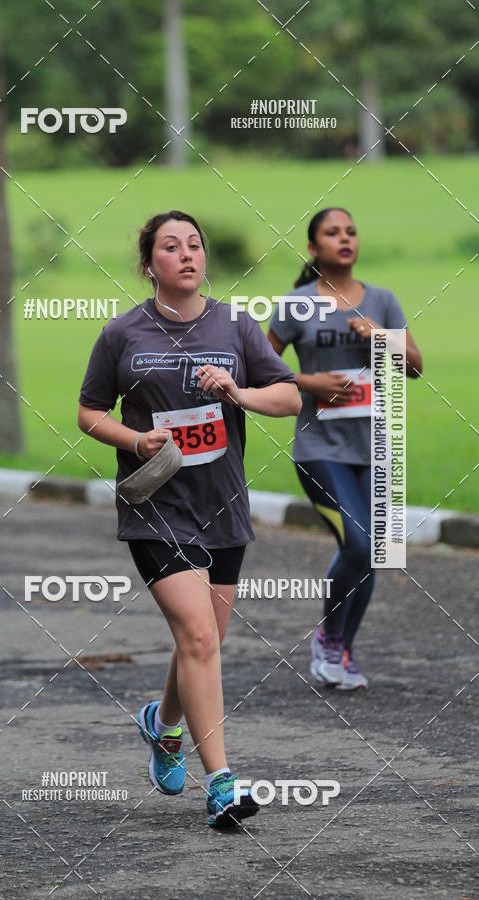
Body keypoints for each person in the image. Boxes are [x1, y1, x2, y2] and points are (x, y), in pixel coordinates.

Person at [78, 210, 300, 827]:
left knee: (204, 640)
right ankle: (222, 784)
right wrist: (135, 439)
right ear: (149, 264)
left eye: (195, 245)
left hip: (222, 504)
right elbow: (89, 411)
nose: (186, 255)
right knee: (200, 638)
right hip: (156, 507)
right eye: (170, 247)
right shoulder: (123, 334)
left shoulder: (236, 325)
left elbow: (288, 395)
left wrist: (239, 392)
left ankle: (163, 723)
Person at [268, 207, 422, 690]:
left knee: (375, 550)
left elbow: (415, 367)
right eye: (332, 233)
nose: (345, 238)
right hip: (320, 448)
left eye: (351, 231)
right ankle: (328, 637)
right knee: (358, 543)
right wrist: (311, 381)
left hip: (376, 446)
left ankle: (342, 652)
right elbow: (257, 367)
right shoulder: (296, 305)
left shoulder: (382, 300)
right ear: (314, 248)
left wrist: (380, 335)